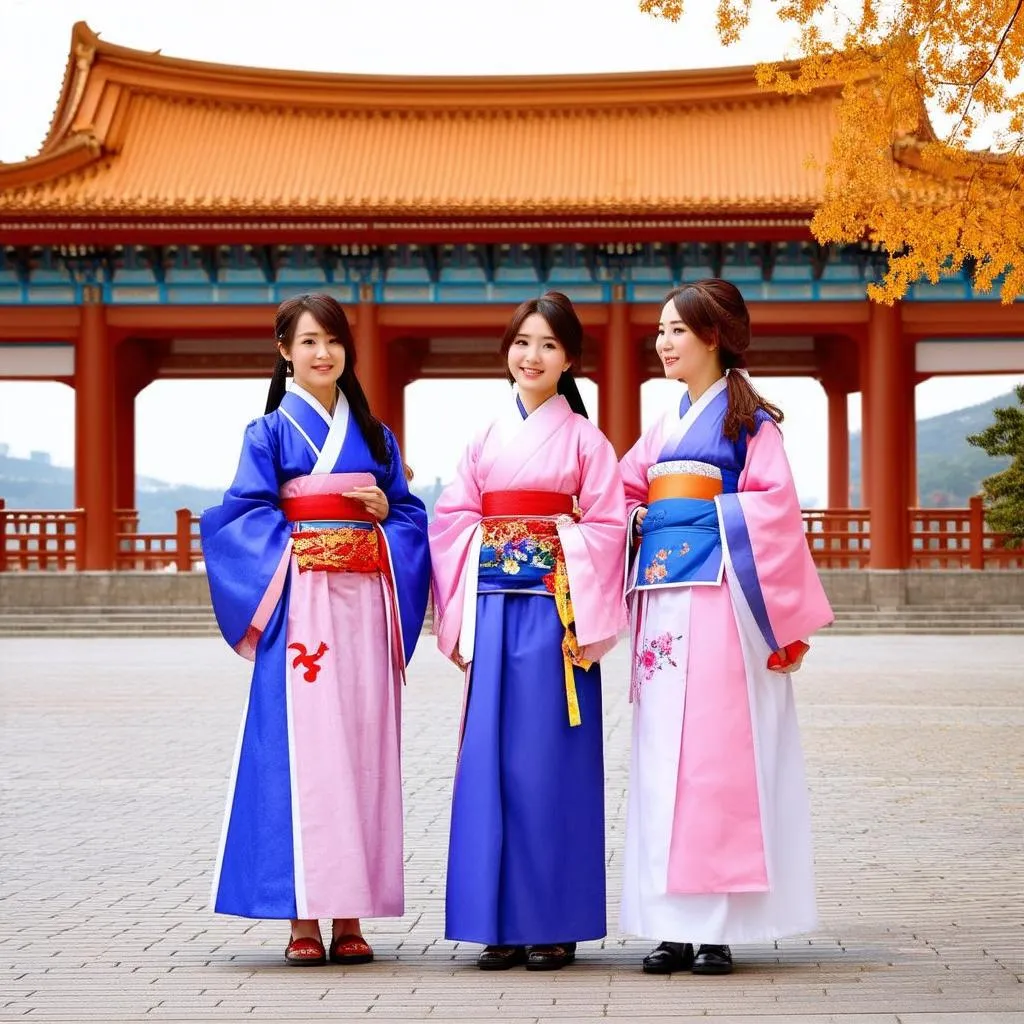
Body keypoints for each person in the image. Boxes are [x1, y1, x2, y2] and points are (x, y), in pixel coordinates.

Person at [200, 293, 430, 966]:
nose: (322, 353)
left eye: (332, 340)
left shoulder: (377, 435)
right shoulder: (266, 434)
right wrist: (300, 552)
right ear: (284, 352)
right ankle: (301, 916)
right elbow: (240, 516)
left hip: (363, 605)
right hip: (301, 604)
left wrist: (388, 512)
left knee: (360, 753)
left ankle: (351, 913)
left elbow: (413, 520)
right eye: (307, 342)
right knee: (303, 756)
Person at [619, 280, 834, 976]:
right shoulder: (663, 427)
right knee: (659, 760)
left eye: (676, 330)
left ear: (713, 337)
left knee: (715, 763)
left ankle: (716, 928)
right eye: (660, 330)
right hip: (663, 605)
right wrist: (638, 522)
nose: (663, 342)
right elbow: (621, 496)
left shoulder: (751, 426)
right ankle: (668, 924)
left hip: (721, 601)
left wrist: (706, 518)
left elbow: (775, 510)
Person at [429, 292, 627, 971]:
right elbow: (451, 519)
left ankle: (554, 921)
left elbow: (609, 526)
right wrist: (486, 548)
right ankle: (497, 920)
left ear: (569, 357)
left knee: (549, 764)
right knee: (490, 763)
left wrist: (562, 542)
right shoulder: (483, 438)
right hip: (492, 611)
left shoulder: (585, 440)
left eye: (547, 344)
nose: (531, 356)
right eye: (521, 342)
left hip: (555, 613)